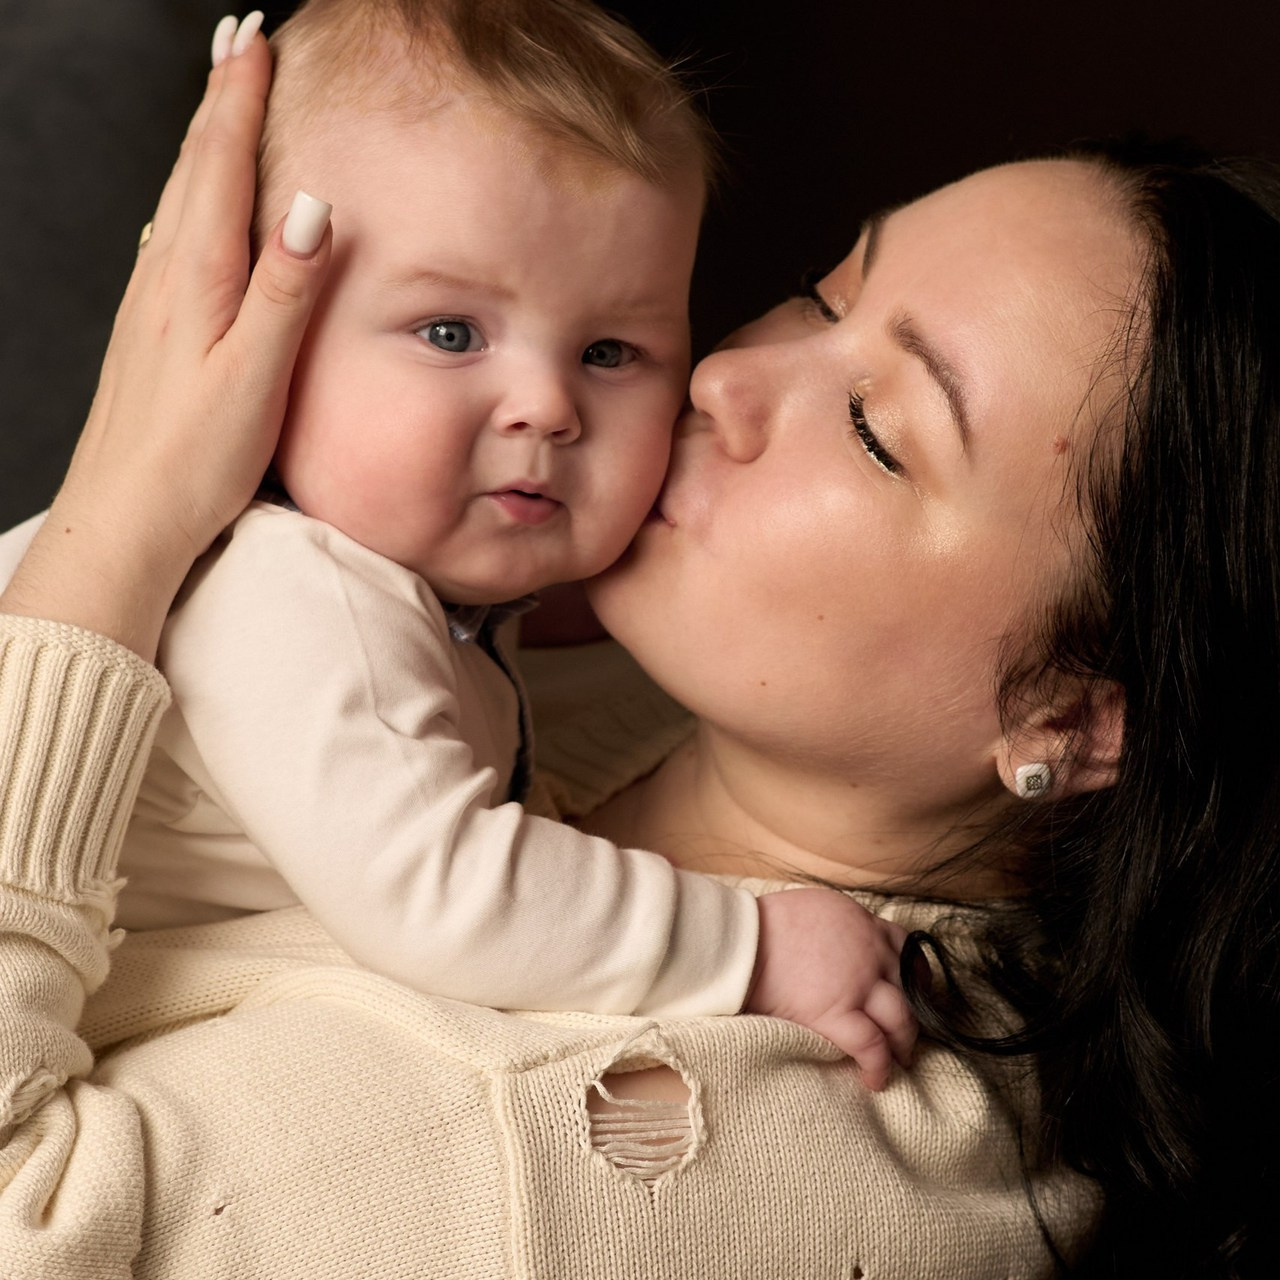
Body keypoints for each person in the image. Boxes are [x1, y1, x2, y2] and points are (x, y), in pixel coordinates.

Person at [1, 14, 1277, 1280]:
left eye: (876, 424)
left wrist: (113, 533)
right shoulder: (609, 669)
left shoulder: (604, 1135)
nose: (720, 382)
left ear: (1066, 713)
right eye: (816, 294)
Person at [0, 0, 916, 1075]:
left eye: (611, 350)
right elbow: (438, 892)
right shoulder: (291, 592)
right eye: (448, 332)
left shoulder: (429, 580)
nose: (544, 405)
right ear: (263, 322)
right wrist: (746, 946)